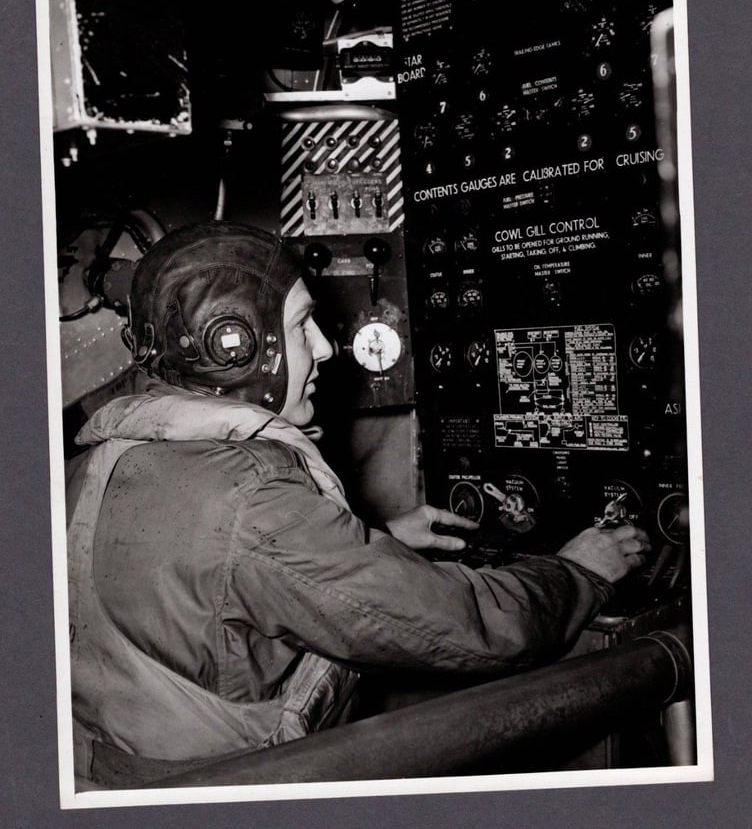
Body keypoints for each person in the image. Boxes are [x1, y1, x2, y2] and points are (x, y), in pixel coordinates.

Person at [65, 221, 651, 789]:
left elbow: (214, 579)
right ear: (234, 346)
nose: (324, 347)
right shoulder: (255, 498)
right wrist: (580, 572)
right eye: (301, 326)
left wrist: (374, 539)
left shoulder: (97, 462)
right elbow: (466, 627)